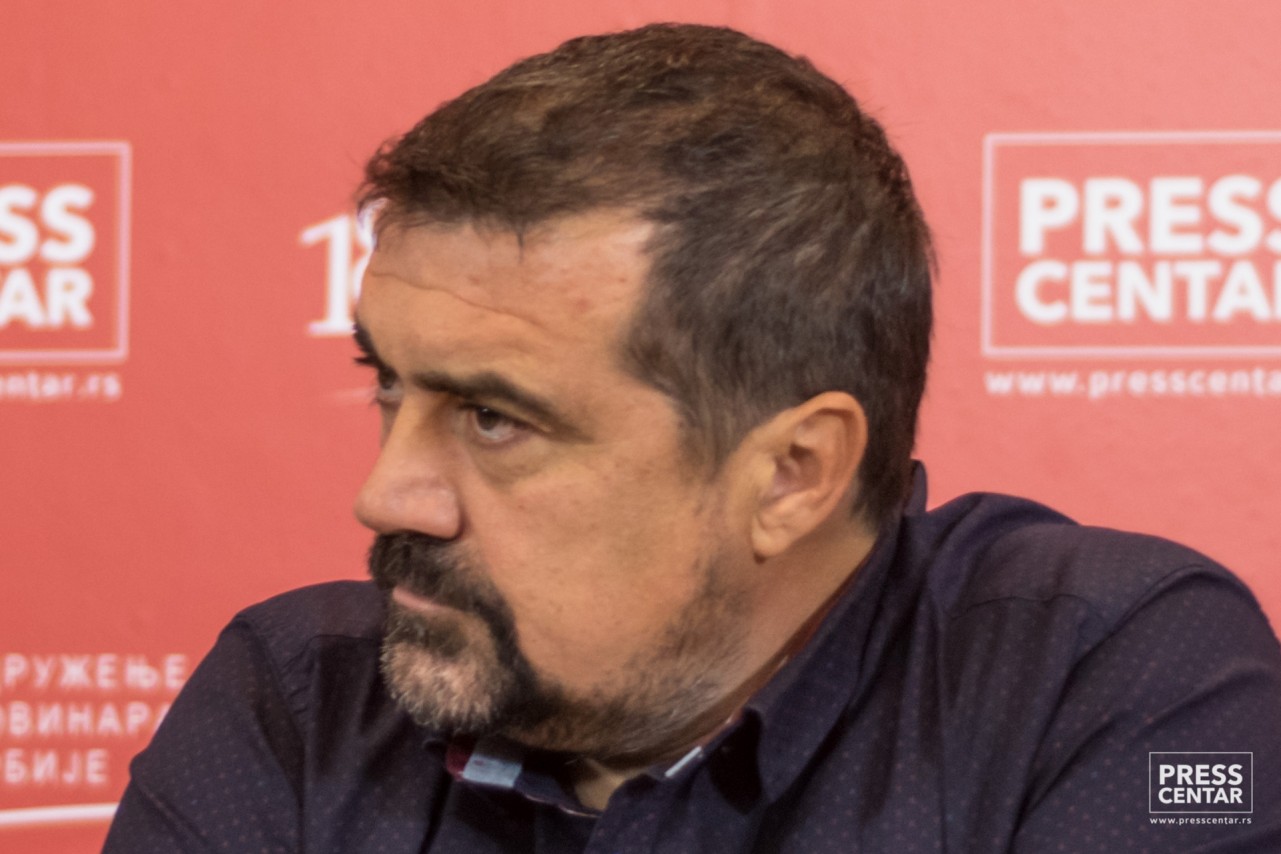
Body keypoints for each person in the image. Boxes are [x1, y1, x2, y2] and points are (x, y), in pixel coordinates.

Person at [104, 23, 1281, 853]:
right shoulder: (294, 697)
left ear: (792, 474)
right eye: (388, 385)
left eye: (495, 418)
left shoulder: (1113, 673)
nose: (387, 494)